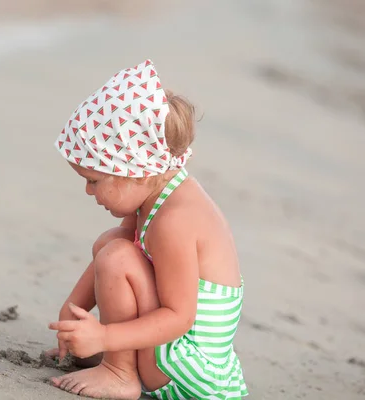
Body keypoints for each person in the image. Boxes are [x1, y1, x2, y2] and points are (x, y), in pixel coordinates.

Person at [46, 59, 248, 400]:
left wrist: (105, 337)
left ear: (136, 171)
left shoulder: (174, 221)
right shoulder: (156, 192)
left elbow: (178, 318)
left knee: (118, 256)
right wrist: (72, 309)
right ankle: (116, 359)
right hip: (172, 353)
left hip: (189, 370)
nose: (87, 191)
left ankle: (119, 372)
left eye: (93, 180)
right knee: (114, 241)